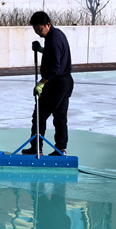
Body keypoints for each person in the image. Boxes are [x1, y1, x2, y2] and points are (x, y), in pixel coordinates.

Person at [23, 11, 74, 156]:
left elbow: (54, 68)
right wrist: (41, 50)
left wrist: (41, 83)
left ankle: (36, 147)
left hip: (56, 83)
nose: (39, 33)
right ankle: (61, 149)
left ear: (48, 25)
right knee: (60, 117)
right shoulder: (56, 34)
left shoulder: (53, 39)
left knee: (39, 115)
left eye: (40, 29)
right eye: (36, 30)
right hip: (66, 82)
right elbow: (54, 53)